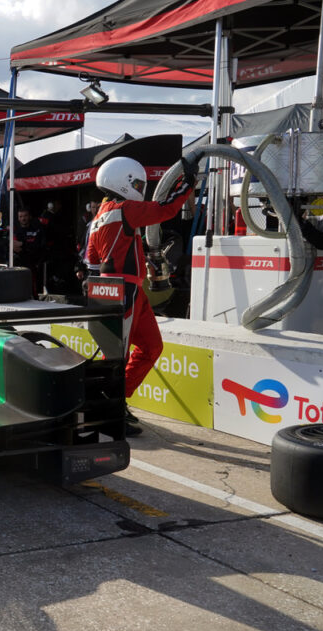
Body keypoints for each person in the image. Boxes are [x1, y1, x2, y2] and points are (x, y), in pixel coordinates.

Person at [87, 156, 194, 435]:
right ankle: (109, 410)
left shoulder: (98, 218)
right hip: (126, 291)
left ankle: (114, 402)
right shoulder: (125, 209)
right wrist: (187, 184)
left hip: (114, 291)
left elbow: (91, 261)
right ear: (124, 181)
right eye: (136, 183)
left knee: (146, 347)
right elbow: (165, 208)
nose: (139, 188)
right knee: (119, 355)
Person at [13, 208, 46, 292]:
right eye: (20, 216)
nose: (23, 218)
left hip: (33, 264)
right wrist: (24, 245)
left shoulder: (36, 229)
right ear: (18, 218)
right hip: (18, 264)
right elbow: (14, 247)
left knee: (34, 289)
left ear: (29, 216)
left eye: (25, 216)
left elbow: (38, 246)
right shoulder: (16, 231)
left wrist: (22, 244)